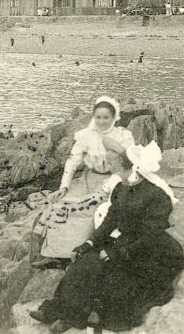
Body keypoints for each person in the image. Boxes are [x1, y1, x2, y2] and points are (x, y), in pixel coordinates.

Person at [30, 142, 184, 333]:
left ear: (131, 168)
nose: (109, 168)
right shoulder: (121, 187)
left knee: (111, 271)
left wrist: (117, 252)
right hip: (126, 241)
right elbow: (110, 220)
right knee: (85, 260)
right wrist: (89, 243)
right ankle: (61, 311)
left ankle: (78, 316)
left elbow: (151, 234)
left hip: (151, 249)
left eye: (113, 164)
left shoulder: (157, 195)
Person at [32, 97, 135, 269]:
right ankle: (55, 254)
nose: (102, 121)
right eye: (98, 117)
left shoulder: (123, 136)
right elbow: (72, 162)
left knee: (86, 208)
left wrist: (111, 183)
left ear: (114, 118)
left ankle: (77, 253)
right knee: (60, 203)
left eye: (106, 117)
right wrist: (64, 186)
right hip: (88, 178)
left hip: (111, 180)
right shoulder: (86, 136)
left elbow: (127, 165)